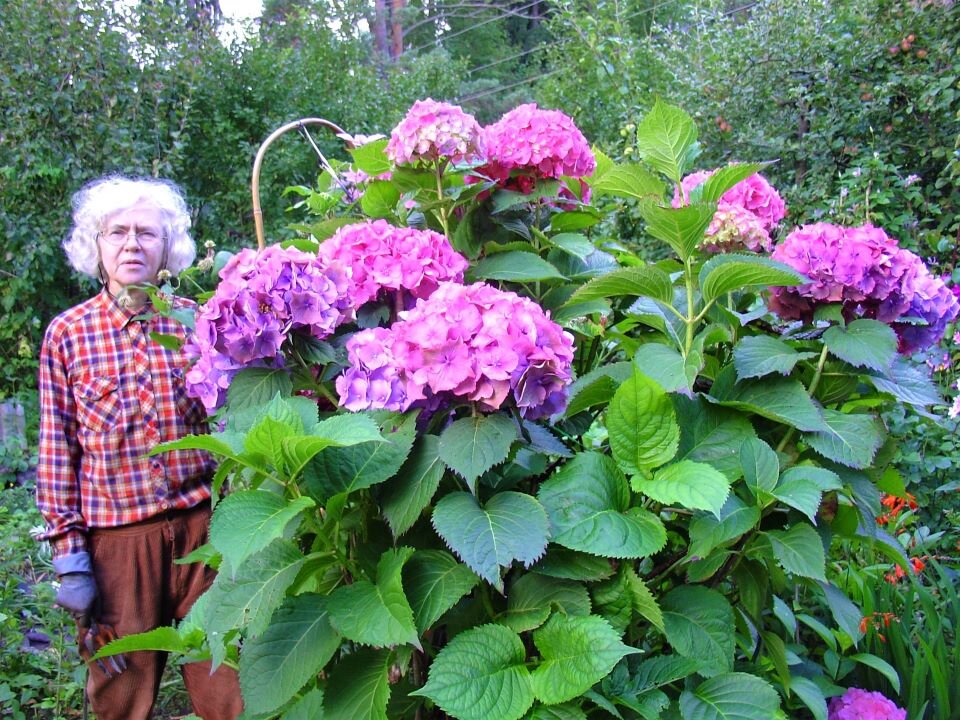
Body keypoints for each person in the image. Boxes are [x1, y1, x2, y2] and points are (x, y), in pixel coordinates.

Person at [36, 175, 243, 720]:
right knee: (120, 697)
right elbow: (57, 452)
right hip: (118, 547)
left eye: (147, 233)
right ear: (97, 245)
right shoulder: (68, 334)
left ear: (167, 247)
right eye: (117, 232)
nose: (132, 244)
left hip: (206, 534)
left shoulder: (195, 322)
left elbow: (232, 422)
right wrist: (70, 559)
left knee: (231, 689)